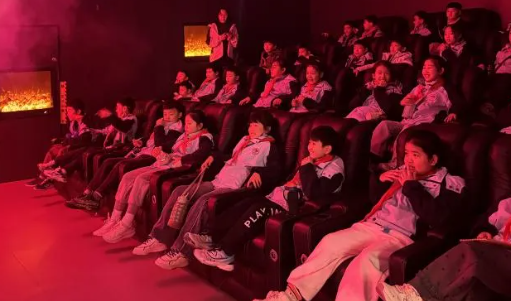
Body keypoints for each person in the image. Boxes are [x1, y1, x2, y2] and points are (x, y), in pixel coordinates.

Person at [249, 130, 467, 301]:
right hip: (374, 225)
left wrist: (411, 186)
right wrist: (380, 180)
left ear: (433, 160)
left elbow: (438, 217)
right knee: (331, 242)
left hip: (401, 237)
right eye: (407, 154)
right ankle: (289, 299)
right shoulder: (402, 172)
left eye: (416, 155)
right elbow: (374, 200)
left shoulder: (450, 183)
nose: (408, 160)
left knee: (367, 262)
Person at [378, 144, 511, 301]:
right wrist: (484, 232)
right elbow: (486, 220)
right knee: (469, 287)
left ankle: (413, 294)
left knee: (471, 252)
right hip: (498, 255)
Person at [132, 111, 280, 271]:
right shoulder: (244, 140)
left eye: (256, 125)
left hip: (234, 187)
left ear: (267, 129)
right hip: (218, 180)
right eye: (250, 125)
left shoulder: (269, 146)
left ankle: (181, 252)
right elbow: (230, 156)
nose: (251, 128)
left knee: (204, 201)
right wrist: (213, 157)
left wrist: (260, 172)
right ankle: (159, 238)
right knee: (181, 191)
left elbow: (277, 169)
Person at [192, 126, 344, 271]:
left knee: (259, 209)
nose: (309, 147)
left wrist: (307, 167)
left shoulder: (334, 169)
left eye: (314, 144)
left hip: (294, 209)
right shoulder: (314, 159)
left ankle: (225, 253)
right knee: (246, 203)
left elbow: (313, 193)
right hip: (279, 197)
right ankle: (212, 238)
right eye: (309, 142)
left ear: (327, 149)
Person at [95, 109, 214, 242]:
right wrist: (160, 149)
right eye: (185, 123)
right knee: (128, 176)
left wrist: (181, 160)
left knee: (141, 179)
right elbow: (169, 146)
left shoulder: (205, 137)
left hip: (175, 169)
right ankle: (115, 218)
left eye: (190, 123)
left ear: (200, 125)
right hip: (163, 163)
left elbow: (201, 154)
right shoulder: (185, 136)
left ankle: (127, 223)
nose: (186, 126)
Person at [65, 100, 185, 211]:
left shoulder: (177, 129)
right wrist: (141, 141)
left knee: (119, 164)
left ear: (180, 115)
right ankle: (87, 193)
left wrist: (158, 127)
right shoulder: (164, 125)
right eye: (165, 114)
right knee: (108, 162)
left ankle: (96, 197)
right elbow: (151, 139)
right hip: (142, 151)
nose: (167, 117)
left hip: (152, 158)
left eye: (171, 114)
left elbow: (160, 145)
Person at [370, 57, 464, 164]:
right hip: (407, 121)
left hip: (423, 124)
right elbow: (403, 108)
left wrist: (453, 112)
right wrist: (403, 103)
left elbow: (459, 103)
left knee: (404, 133)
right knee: (384, 125)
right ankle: (373, 159)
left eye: (429, 67)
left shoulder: (445, 88)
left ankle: (395, 165)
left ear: (441, 71)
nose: (425, 70)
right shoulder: (418, 87)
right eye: (424, 67)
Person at [40, 98, 138, 185]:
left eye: (117, 107)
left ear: (125, 108)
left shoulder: (132, 119)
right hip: (110, 147)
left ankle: (58, 169)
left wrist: (110, 116)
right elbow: (106, 130)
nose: (116, 110)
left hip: (120, 149)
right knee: (81, 151)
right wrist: (94, 131)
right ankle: (56, 167)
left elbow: (123, 127)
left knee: (84, 151)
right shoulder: (119, 120)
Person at [26, 99, 89, 187]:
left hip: (79, 148)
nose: (67, 113)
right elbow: (71, 137)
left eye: (69, 110)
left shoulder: (86, 123)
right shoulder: (73, 123)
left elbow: (83, 141)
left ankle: (51, 178)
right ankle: (42, 176)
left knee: (61, 151)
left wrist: (67, 142)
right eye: (67, 111)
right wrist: (63, 141)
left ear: (78, 111)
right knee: (53, 149)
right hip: (71, 144)